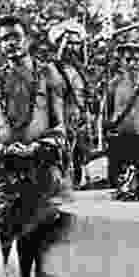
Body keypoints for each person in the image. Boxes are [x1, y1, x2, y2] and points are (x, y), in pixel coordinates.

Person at [0, 15, 70, 277]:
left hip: (39, 164)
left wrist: (38, 146)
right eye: (4, 39)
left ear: (28, 39)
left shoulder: (48, 74)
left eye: (15, 36)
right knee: (1, 234)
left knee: (31, 234)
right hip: (4, 169)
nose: (10, 43)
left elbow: (60, 127)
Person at [105, 42, 139, 185]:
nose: (132, 64)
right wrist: (108, 131)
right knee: (116, 182)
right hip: (119, 138)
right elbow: (107, 111)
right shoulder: (113, 85)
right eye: (128, 59)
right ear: (121, 61)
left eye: (137, 60)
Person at [49, 20, 93, 188]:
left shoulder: (79, 70)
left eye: (77, 44)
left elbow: (85, 94)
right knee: (62, 155)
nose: (75, 48)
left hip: (79, 118)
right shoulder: (52, 68)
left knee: (80, 154)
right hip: (62, 118)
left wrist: (87, 112)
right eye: (70, 43)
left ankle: (77, 183)